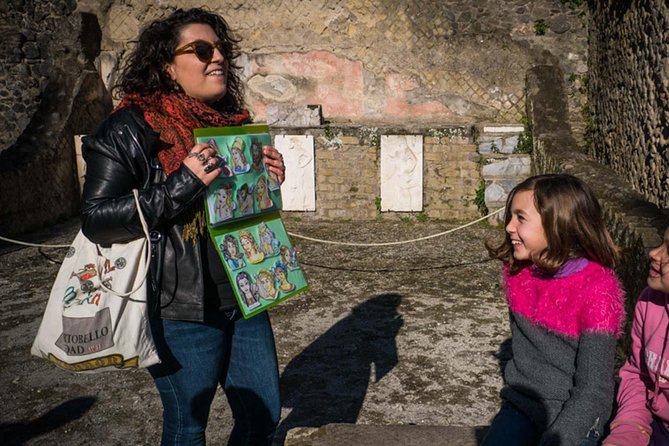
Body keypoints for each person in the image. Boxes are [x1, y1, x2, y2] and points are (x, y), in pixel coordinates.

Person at [79, 8, 286, 445]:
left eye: (222, 49)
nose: (218, 59)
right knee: (188, 426)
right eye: (203, 50)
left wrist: (264, 181)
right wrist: (182, 184)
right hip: (179, 308)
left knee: (262, 419)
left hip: (245, 294)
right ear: (166, 66)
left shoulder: (231, 125)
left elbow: (236, 211)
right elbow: (97, 219)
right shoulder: (129, 128)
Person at [482, 174, 625, 446]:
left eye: (520, 218)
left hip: (576, 413)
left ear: (558, 224)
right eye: (511, 217)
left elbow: (594, 390)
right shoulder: (517, 273)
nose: (509, 227)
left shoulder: (598, 290)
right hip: (523, 406)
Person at [602, 225, 669, 446]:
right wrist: (628, 430)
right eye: (661, 242)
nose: (654, 253)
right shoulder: (649, 301)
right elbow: (639, 375)